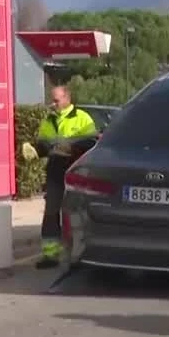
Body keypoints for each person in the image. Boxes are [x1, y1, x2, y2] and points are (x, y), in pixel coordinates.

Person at [30, 86, 98, 269]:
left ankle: (80, 255)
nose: (53, 104)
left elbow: (92, 142)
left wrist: (71, 145)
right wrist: (36, 149)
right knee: (51, 212)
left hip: (76, 170)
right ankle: (50, 255)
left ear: (67, 98)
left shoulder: (82, 117)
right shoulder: (49, 119)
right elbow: (43, 142)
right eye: (52, 100)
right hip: (55, 170)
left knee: (77, 213)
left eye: (56, 100)